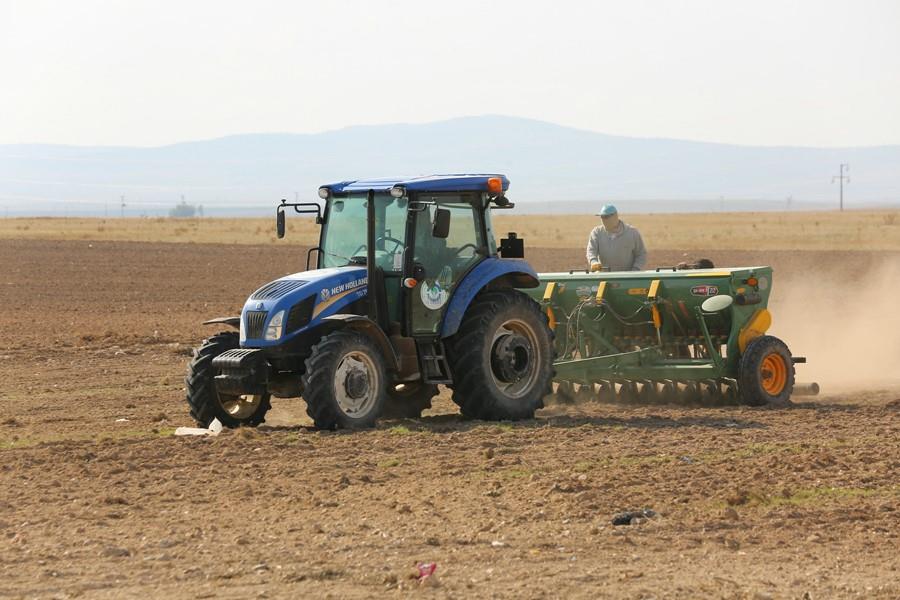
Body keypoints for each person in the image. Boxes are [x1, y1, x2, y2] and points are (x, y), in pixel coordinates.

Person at [586, 204, 647, 271]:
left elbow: (641, 254)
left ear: (615, 216)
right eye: (602, 217)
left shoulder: (632, 233)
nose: (603, 220)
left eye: (606, 217)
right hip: (604, 277)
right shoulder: (597, 233)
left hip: (627, 277)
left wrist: (635, 269)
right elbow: (591, 251)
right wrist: (594, 262)